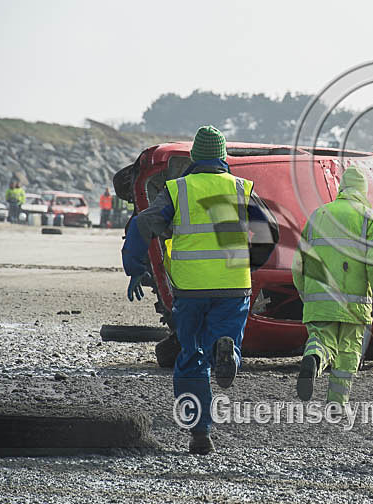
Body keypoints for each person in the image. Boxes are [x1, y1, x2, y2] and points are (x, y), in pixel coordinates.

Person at [121, 126, 279, 454]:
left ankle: (199, 432)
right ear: (223, 156)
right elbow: (269, 232)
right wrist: (249, 263)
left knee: (191, 358)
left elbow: (142, 223)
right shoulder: (240, 187)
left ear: (194, 157)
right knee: (226, 339)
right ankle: (228, 352)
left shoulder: (178, 189)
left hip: (190, 288)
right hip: (233, 286)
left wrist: (135, 267)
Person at [293, 165, 373, 405]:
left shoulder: (318, 215)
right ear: (363, 191)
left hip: (319, 300)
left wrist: (306, 294)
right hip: (354, 303)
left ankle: (314, 358)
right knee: (348, 352)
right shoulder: (369, 219)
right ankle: (337, 404)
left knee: (321, 340)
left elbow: (298, 263)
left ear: (342, 188)